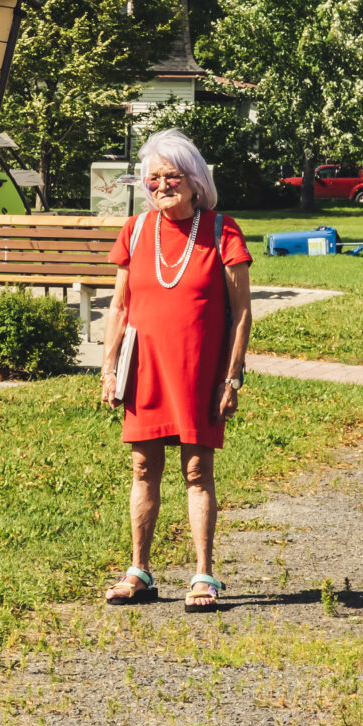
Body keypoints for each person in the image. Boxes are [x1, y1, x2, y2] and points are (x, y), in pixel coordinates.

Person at [98, 130, 253, 615]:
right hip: (145, 369)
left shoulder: (222, 230)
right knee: (143, 466)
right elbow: (120, 308)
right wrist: (108, 367)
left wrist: (232, 378)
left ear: (195, 181)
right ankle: (139, 571)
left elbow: (242, 312)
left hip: (200, 371)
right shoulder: (135, 230)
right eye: (154, 177)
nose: (162, 184)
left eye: (172, 175)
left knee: (196, 469)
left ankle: (204, 574)